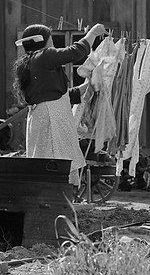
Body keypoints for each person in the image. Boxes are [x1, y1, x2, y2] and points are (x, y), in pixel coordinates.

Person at [14, 22, 106, 187]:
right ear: (41, 41)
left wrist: (89, 84)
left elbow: (62, 96)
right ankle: (56, 197)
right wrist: (92, 33)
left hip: (45, 116)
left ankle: (52, 197)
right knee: (56, 160)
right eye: (50, 39)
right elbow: (74, 52)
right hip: (51, 118)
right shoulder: (43, 55)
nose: (53, 43)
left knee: (47, 160)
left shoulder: (33, 62)